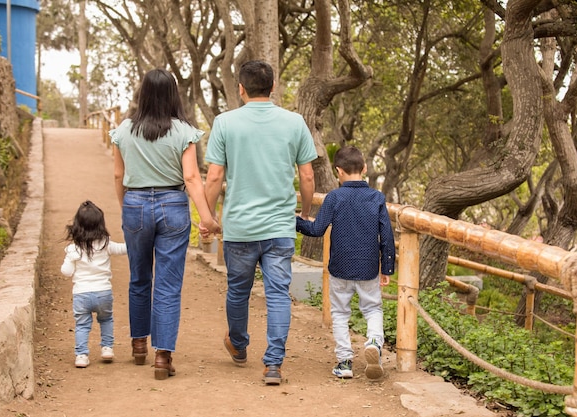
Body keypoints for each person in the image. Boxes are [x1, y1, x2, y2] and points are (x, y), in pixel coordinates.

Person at [204, 60, 317, 385]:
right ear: (273, 87)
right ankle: (273, 365)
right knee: (278, 293)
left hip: (239, 227)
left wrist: (209, 218)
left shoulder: (225, 122)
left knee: (238, 291)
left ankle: (238, 346)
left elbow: (214, 177)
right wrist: (305, 212)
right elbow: (307, 175)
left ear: (241, 89)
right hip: (280, 226)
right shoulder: (294, 122)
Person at [110, 68, 221, 380]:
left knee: (138, 278)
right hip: (173, 206)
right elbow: (191, 177)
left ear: (143, 93)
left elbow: (118, 176)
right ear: (173, 94)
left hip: (135, 204)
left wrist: (127, 207)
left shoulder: (124, 130)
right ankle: (163, 356)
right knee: (168, 284)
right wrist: (207, 219)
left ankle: (138, 345)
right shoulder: (183, 131)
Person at [296, 146, 395, 380]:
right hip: (368, 266)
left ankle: (345, 362)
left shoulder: (334, 197)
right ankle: (373, 342)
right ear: (365, 168)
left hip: (340, 266)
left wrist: (295, 221)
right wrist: (387, 267)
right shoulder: (377, 198)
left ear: (338, 171)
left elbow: (317, 229)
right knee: (372, 309)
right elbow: (387, 235)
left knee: (340, 313)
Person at [61, 200, 128, 368]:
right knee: (106, 320)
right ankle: (107, 348)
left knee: (82, 325)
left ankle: (82, 355)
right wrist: (137, 242)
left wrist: (70, 257)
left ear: (77, 225)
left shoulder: (74, 249)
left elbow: (66, 272)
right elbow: (123, 249)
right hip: (103, 292)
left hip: (81, 294)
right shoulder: (105, 244)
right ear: (100, 224)